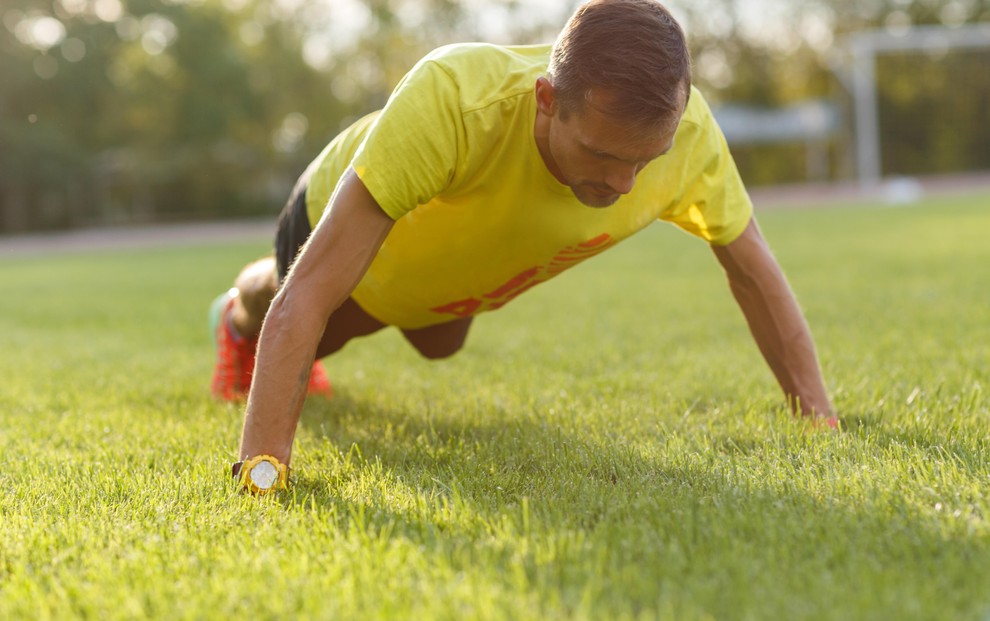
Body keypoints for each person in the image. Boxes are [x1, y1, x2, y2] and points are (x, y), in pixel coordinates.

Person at [211, 0, 837, 493]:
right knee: (307, 319)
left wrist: (818, 419)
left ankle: (368, 312)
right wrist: (264, 465)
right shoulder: (455, 98)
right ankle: (240, 312)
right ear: (546, 100)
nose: (625, 186)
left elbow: (754, 272)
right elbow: (314, 288)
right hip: (339, 219)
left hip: (447, 268)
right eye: (603, 154)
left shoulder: (690, 137)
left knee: (439, 342)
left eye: (647, 160)